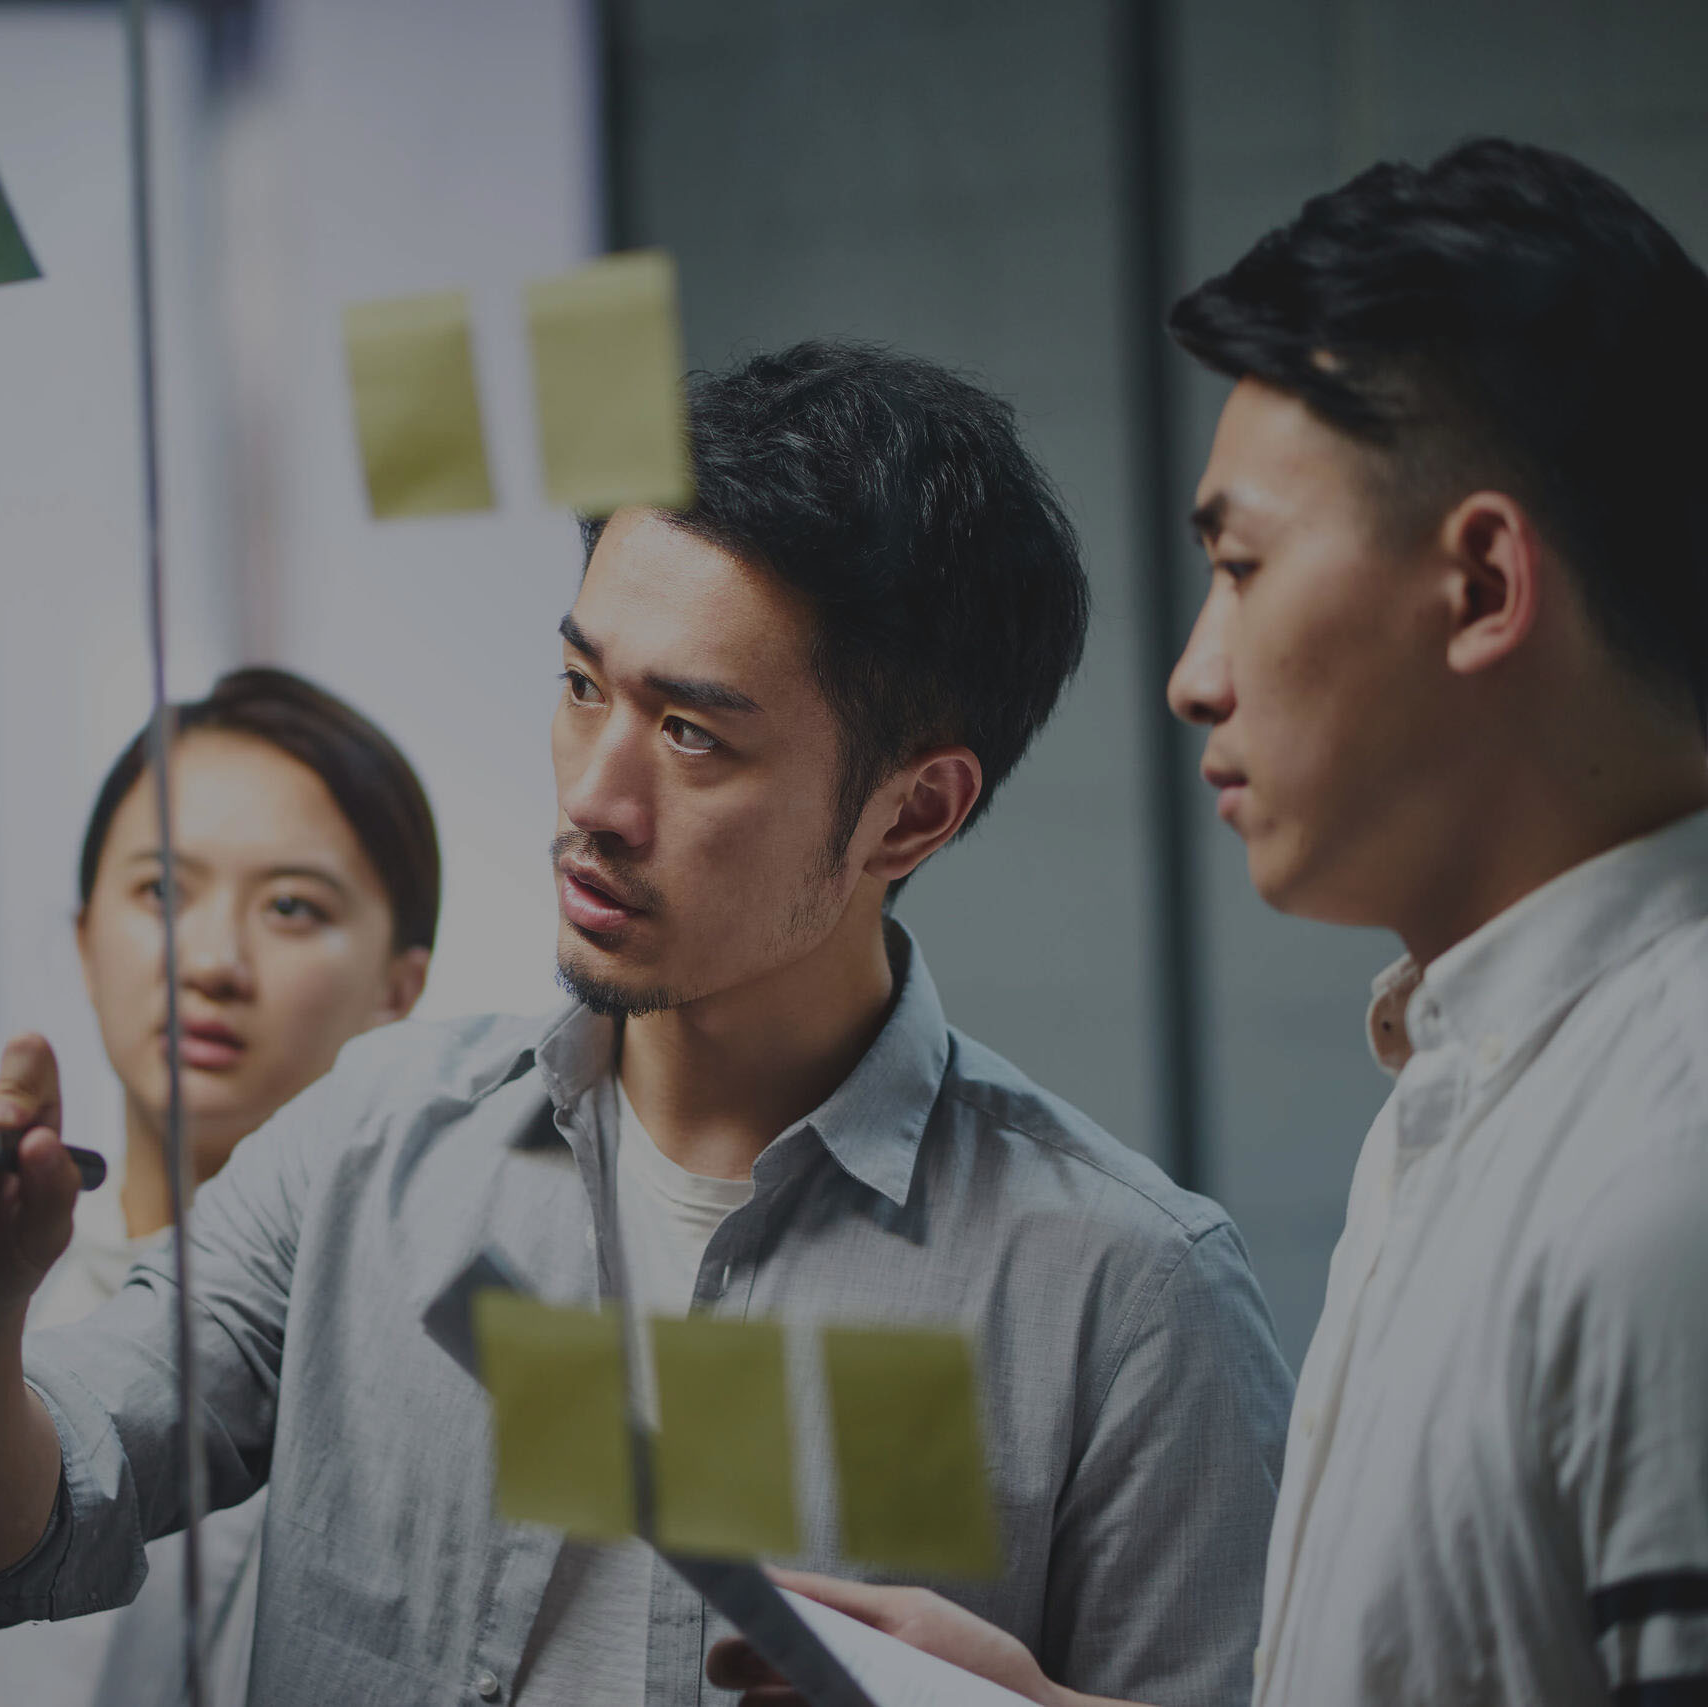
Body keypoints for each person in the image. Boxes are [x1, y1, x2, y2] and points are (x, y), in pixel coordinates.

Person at [0, 342, 1295, 1707]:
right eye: (582, 685)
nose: (595, 799)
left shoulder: (1125, 1299)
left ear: (911, 809)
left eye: (691, 733)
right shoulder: (377, 1141)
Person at [708, 140, 1708, 1707]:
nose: (1195, 671)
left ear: (1484, 584)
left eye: (1242, 566)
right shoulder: (1481, 1092)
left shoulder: (1670, 1171)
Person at [0, 666, 438, 1707]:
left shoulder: (404, 1349)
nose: (210, 960)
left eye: (292, 907)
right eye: (162, 891)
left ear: (399, 990)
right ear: (84, 937)